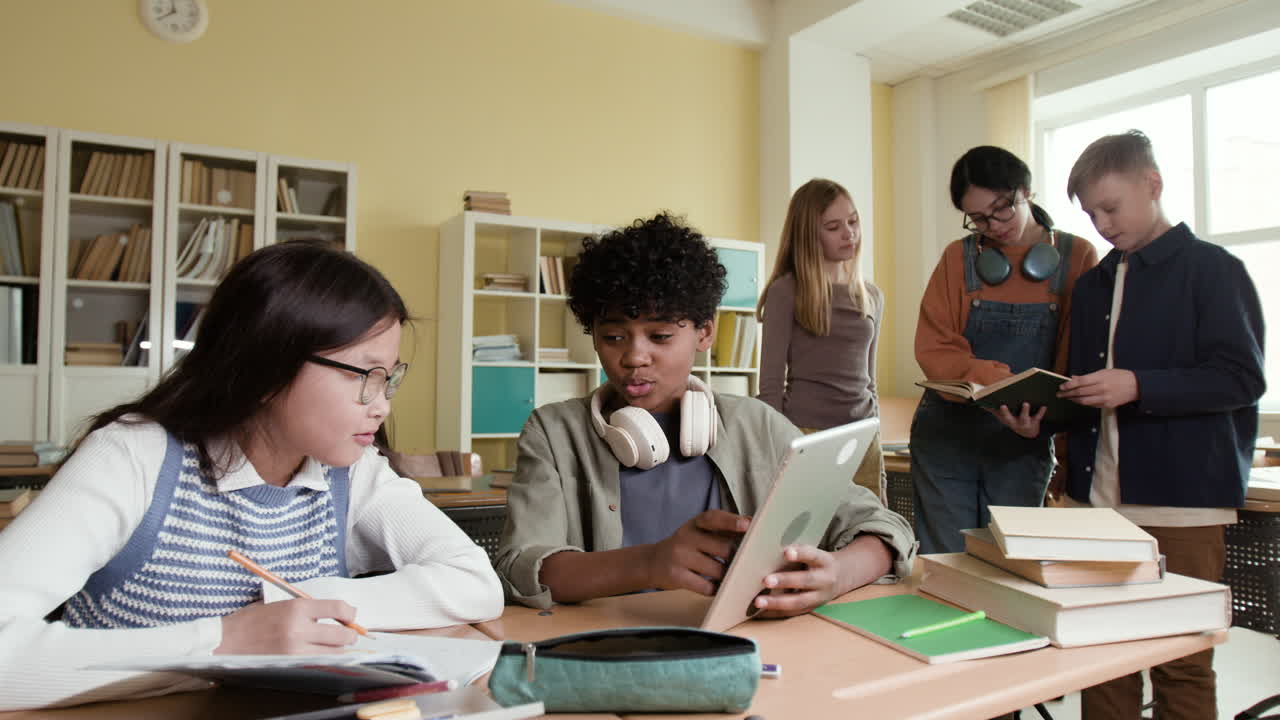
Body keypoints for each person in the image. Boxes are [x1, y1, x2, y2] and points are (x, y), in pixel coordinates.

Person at [0, 240, 504, 710]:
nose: (383, 405)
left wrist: (298, 606)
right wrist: (223, 641)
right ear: (267, 365)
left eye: (389, 377)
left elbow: (473, 582)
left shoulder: (350, 473)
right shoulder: (136, 456)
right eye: (362, 375)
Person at [494, 212, 916, 612]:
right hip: (609, 646)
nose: (634, 356)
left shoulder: (759, 427)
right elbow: (521, 565)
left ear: (705, 331)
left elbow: (882, 528)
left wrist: (838, 574)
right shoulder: (554, 432)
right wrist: (649, 563)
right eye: (613, 336)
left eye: (659, 336)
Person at [999, 130, 1265, 720]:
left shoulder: (1215, 271)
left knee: (1183, 662)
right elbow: (1087, 394)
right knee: (1100, 660)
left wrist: (1140, 384)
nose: (1102, 224)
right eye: (1091, 213)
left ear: (1153, 185)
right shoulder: (1092, 285)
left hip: (1183, 506)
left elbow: (1241, 378)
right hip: (1096, 507)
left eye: (1111, 208)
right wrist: (1039, 424)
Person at [911, 146, 1098, 554]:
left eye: (1001, 209)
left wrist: (1049, 427)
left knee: (1012, 567)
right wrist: (999, 381)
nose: (993, 225)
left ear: (1026, 191)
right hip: (946, 437)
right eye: (978, 218)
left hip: (1024, 439)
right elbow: (934, 348)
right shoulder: (956, 259)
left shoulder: (1078, 257)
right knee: (947, 565)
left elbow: (1075, 358)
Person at [757, 179, 886, 501]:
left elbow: (870, 381)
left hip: (862, 435)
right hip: (806, 435)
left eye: (853, 221)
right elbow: (771, 385)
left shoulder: (871, 296)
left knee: (869, 536)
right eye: (833, 226)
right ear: (809, 235)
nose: (849, 233)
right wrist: (778, 450)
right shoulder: (786, 291)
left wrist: (875, 434)